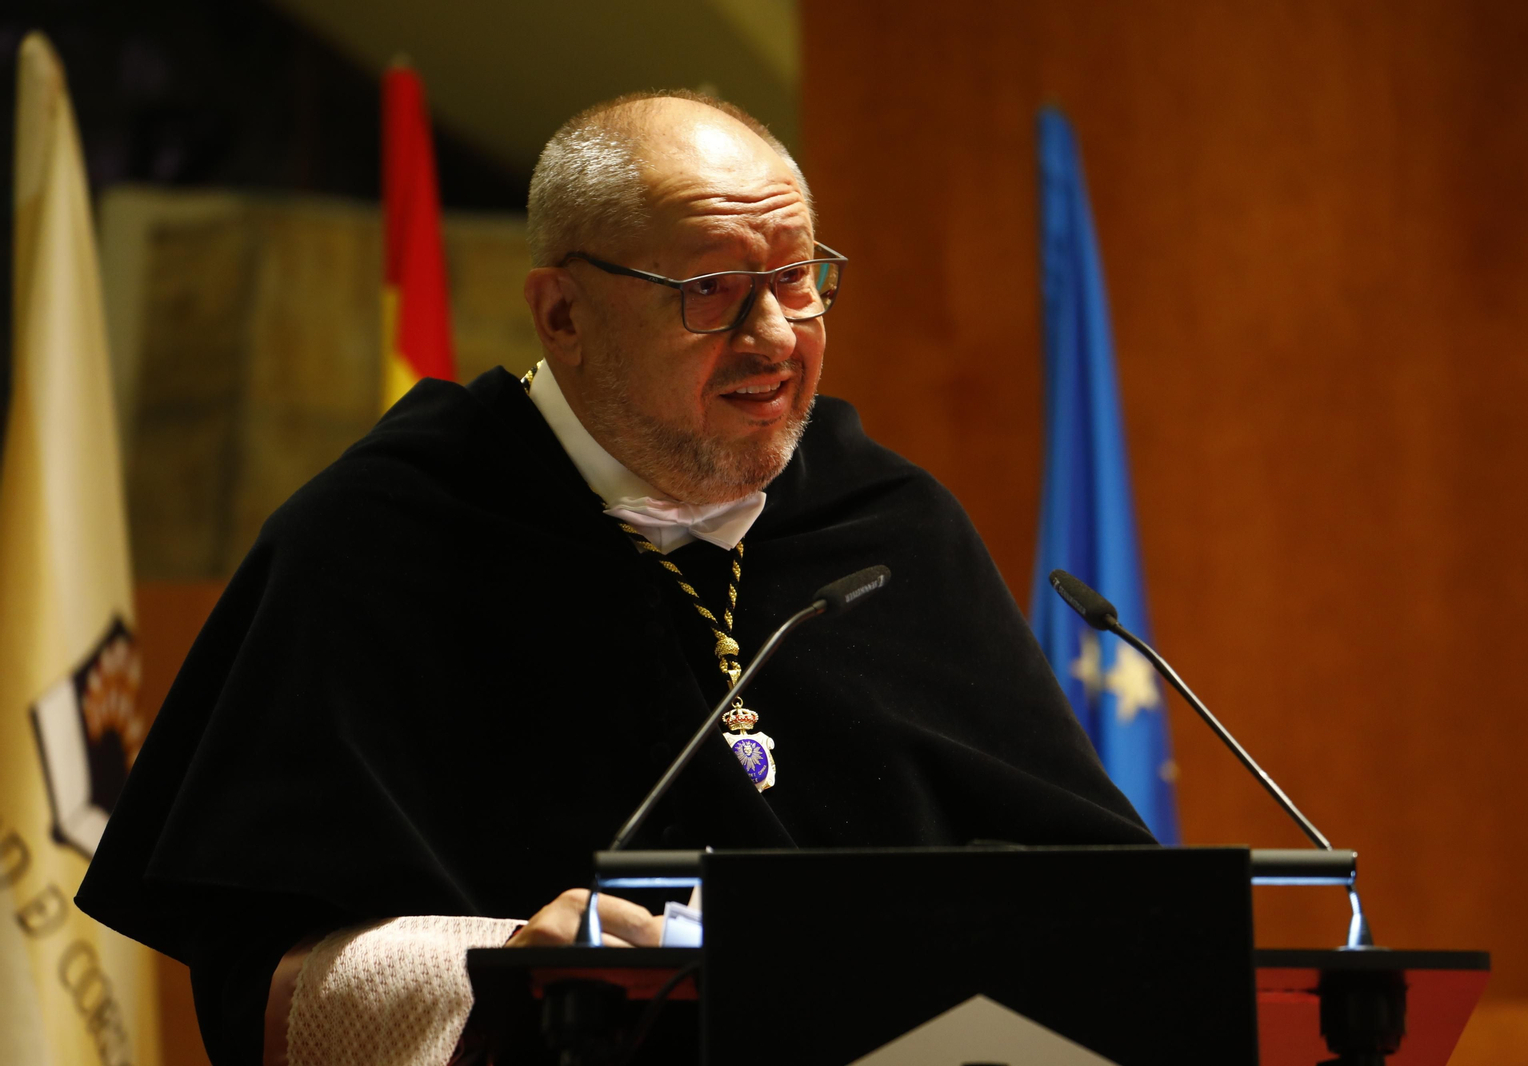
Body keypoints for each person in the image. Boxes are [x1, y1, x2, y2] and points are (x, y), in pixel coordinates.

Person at [78, 90, 1153, 1066]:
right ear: (561, 315)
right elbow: (261, 981)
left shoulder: (888, 526)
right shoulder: (379, 540)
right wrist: (497, 964)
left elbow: (1090, 900)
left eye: (797, 279)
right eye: (711, 292)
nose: (773, 334)